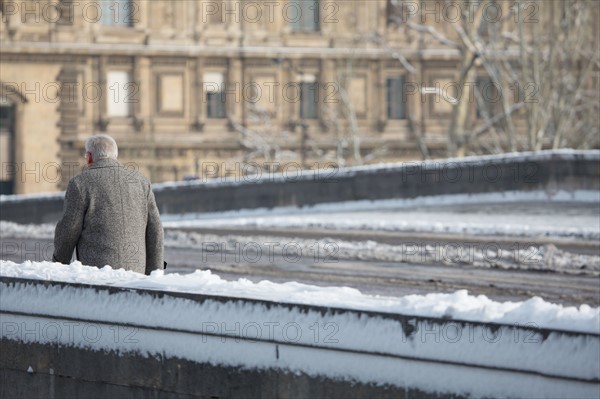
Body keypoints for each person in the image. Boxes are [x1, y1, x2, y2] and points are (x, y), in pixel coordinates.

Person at [53, 134, 164, 275]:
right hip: (137, 276)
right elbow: (156, 231)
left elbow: (68, 231)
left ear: (89, 157)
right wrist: (154, 274)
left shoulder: (80, 183)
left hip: (99, 277)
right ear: (115, 155)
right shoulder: (141, 181)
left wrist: (58, 264)